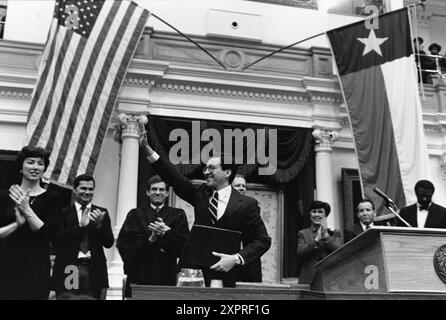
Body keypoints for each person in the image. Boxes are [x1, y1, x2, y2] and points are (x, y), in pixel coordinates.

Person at [140, 124, 271, 287]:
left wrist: (236, 258)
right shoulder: (200, 193)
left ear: (227, 173)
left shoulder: (247, 204)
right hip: (192, 274)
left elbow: (263, 240)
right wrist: (148, 151)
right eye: (205, 168)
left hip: (225, 276)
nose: (206, 172)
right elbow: (173, 177)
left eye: (212, 168)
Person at [0, 146, 61, 299]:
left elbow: (48, 235)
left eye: (40, 163)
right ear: (21, 167)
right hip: (6, 265)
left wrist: (26, 209)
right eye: (30, 162)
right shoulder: (3, 196)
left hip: (36, 268)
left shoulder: (52, 198)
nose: (35, 167)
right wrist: (17, 225)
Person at [117, 175, 189, 296]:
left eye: (161, 190)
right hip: (139, 274)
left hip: (166, 274)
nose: (157, 192)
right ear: (147, 192)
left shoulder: (177, 215)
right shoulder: (135, 214)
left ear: (167, 193)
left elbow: (184, 246)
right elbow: (124, 244)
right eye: (154, 189)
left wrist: (166, 234)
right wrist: (149, 240)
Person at [52, 174, 114, 300]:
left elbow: (108, 243)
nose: (87, 192)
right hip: (71, 267)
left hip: (94, 268)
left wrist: (99, 226)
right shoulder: (63, 212)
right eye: (83, 188)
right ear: (74, 190)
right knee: (70, 298)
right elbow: (57, 241)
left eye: (90, 189)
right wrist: (79, 226)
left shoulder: (101, 213)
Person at [297, 200, 341, 285]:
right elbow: (300, 254)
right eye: (314, 212)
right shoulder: (303, 233)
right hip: (308, 279)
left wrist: (327, 236)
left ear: (325, 215)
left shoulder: (335, 232)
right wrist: (316, 240)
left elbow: (339, 252)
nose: (316, 214)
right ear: (310, 214)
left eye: (320, 212)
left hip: (330, 277)